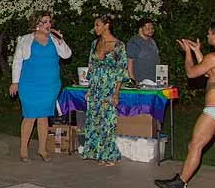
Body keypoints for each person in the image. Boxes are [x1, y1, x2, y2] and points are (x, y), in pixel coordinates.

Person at [155, 20, 215, 188]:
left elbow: (192, 73)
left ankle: (181, 182)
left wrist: (188, 53)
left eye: (209, 34)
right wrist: (197, 51)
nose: (207, 36)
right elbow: (211, 72)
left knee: (195, 145)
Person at [10, 11, 72, 162]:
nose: (48, 25)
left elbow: (67, 55)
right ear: (36, 24)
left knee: (44, 117)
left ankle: (42, 149)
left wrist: (60, 40)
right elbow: (17, 61)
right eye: (45, 22)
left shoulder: (55, 39)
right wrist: (15, 82)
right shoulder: (25, 40)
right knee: (30, 116)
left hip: (49, 85)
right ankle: (23, 150)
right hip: (29, 84)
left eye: (49, 21)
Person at [81, 14, 128, 166]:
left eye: (98, 25)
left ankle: (109, 155)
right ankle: (97, 152)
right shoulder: (95, 43)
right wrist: (89, 88)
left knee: (107, 120)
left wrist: (116, 93)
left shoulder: (118, 45)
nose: (95, 28)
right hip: (96, 85)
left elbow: (121, 70)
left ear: (106, 25)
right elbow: (91, 65)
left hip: (109, 85)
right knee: (94, 119)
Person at [127, 18, 159, 84]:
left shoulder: (152, 41)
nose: (151, 30)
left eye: (152, 28)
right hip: (141, 82)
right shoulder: (134, 42)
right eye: (148, 28)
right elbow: (129, 63)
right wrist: (133, 81)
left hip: (154, 81)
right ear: (140, 28)